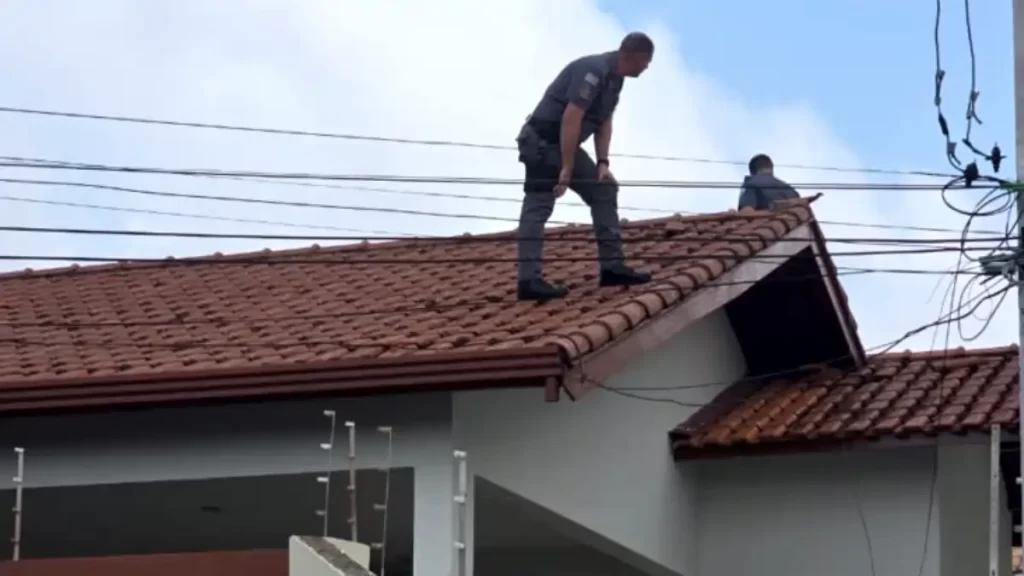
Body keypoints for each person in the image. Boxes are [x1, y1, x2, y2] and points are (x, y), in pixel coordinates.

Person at [514, 32, 656, 302]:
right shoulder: (594, 71)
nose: (647, 67)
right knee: (538, 206)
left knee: (604, 189)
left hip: (562, 145)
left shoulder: (615, 79)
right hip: (541, 142)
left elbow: (604, 121)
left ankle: (612, 268)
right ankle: (529, 281)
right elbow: (571, 117)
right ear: (636, 56)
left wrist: (603, 162)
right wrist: (566, 167)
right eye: (646, 61)